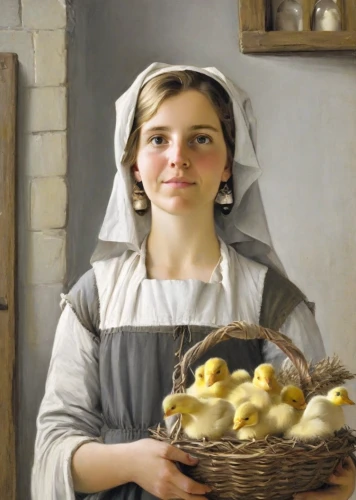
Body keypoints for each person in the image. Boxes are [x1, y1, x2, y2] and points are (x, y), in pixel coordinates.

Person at [31, 62, 355, 500]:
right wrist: (133, 463)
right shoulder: (95, 300)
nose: (178, 156)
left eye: (201, 138)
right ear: (133, 165)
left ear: (228, 166)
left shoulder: (273, 303)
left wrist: (338, 484)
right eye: (158, 138)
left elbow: (318, 438)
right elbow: (52, 455)